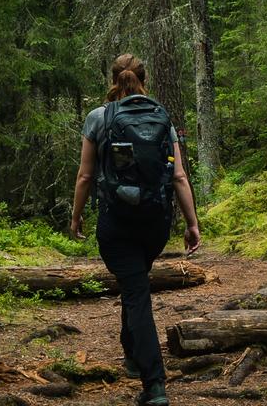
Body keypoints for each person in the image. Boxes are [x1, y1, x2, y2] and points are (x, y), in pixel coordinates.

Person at [70, 53, 201, 406]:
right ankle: (131, 353)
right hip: (155, 222)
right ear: (144, 78)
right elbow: (178, 176)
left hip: (118, 222)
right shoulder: (162, 116)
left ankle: (154, 384)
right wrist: (191, 223)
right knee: (136, 283)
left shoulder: (99, 117)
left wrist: (76, 216)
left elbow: (85, 175)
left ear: (113, 79)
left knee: (136, 293)